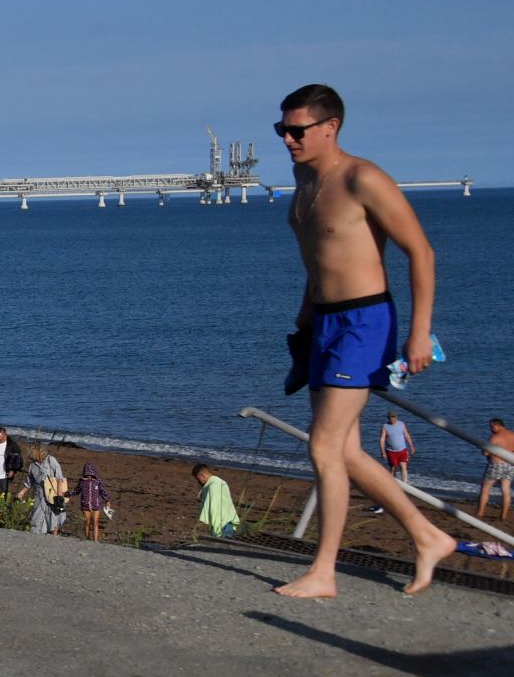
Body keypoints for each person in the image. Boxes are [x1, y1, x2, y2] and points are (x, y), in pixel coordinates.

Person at [271, 84, 455, 598]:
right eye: (281, 129)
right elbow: (317, 256)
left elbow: (420, 251)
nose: (287, 139)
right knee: (344, 450)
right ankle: (427, 534)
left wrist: (419, 332)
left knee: (324, 445)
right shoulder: (302, 176)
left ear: (330, 127)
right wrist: (307, 314)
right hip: (323, 323)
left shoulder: (363, 178)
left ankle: (324, 572)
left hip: (366, 321)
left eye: (297, 130)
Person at [23, 444, 67, 534]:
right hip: (39, 495)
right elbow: (29, 481)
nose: (30, 456)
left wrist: (59, 493)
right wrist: (22, 492)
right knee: (37, 518)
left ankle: (54, 538)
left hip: (53, 494)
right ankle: (38, 536)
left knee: (54, 517)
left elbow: (59, 476)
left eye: (31, 454)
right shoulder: (32, 465)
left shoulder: (51, 460)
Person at [477, 418, 514, 524]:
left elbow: (486, 453)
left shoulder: (494, 438)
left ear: (497, 425)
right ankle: (503, 516)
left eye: (491, 427)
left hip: (496, 465)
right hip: (510, 465)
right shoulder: (512, 435)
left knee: (485, 489)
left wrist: (483, 448)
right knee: (506, 491)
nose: (490, 429)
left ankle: (480, 513)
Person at [193, 463, 240, 539]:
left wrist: (216, 532)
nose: (199, 482)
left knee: (222, 548)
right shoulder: (220, 482)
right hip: (228, 523)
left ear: (202, 476)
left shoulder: (213, 486)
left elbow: (214, 509)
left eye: (198, 480)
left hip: (222, 526)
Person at [75, 461, 110, 541]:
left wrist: (107, 500)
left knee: (95, 522)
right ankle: (87, 539)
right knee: (87, 522)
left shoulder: (97, 481)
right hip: (85, 504)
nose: (89, 476)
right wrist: (67, 494)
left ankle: (95, 540)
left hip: (96, 504)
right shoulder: (82, 481)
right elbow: (76, 491)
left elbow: (102, 491)